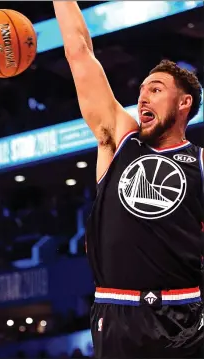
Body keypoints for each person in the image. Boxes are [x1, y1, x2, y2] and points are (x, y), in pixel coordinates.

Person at [53, 2, 203, 358]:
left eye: (155, 89)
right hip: (116, 311)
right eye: (142, 91)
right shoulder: (121, 140)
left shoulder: (199, 161)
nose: (141, 96)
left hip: (186, 313)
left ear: (184, 103)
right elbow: (79, 52)